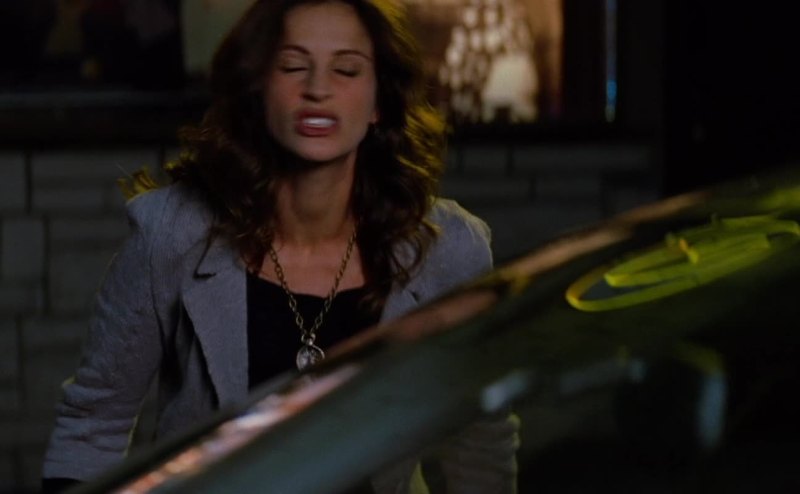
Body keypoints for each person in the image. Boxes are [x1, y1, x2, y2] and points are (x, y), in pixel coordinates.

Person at [42, 0, 519, 492]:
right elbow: (94, 422)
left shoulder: (448, 248)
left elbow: (478, 441)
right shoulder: (172, 233)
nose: (317, 89)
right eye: (292, 66)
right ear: (258, 89)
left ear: (379, 100)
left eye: (346, 70)